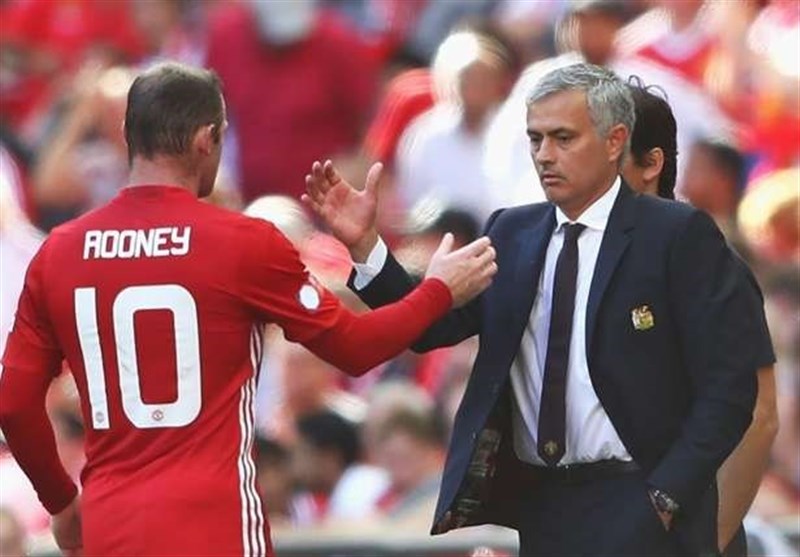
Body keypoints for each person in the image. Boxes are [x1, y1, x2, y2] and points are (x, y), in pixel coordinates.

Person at [0, 62, 498, 556]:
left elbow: (15, 403)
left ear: (131, 137)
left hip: (111, 526)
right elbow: (355, 348)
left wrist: (61, 502)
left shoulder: (60, 251)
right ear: (206, 138)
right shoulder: (242, 242)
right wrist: (438, 291)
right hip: (215, 525)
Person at [303, 63, 759, 555]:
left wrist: (667, 495)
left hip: (642, 499)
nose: (545, 155)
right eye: (536, 139)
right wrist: (367, 247)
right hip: (545, 507)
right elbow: (431, 325)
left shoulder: (677, 234)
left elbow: (730, 388)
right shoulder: (512, 232)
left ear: (614, 141)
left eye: (563, 138)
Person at [623, 82, 779, 557]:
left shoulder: (706, 260)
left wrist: (705, 543)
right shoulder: (571, 257)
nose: (553, 160)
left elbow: (758, 417)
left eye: (590, 146)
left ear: (650, 163)